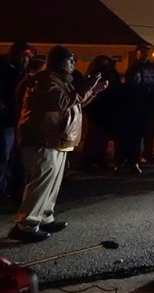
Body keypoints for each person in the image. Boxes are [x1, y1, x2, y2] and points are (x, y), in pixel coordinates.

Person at [9, 45, 107, 242]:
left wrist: (92, 91)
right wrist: (86, 87)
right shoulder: (45, 81)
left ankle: (45, 216)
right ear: (61, 62)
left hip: (55, 139)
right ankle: (26, 225)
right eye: (71, 61)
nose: (73, 65)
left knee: (51, 183)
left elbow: (74, 102)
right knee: (41, 183)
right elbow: (62, 102)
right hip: (42, 139)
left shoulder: (60, 81)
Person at [0, 41, 35, 203]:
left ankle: (16, 190)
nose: (25, 60)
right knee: (2, 157)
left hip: (23, 120)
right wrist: (2, 110)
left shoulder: (27, 74)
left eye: (29, 57)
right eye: (23, 56)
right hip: (5, 121)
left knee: (19, 159)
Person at [126, 44, 154, 162]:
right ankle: (135, 157)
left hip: (150, 105)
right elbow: (131, 87)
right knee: (137, 134)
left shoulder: (152, 68)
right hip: (138, 105)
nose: (145, 54)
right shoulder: (133, 69)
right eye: (143, 52)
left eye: (147, 52)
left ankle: (148, 154)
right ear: (137, 53)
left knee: (149, 133)